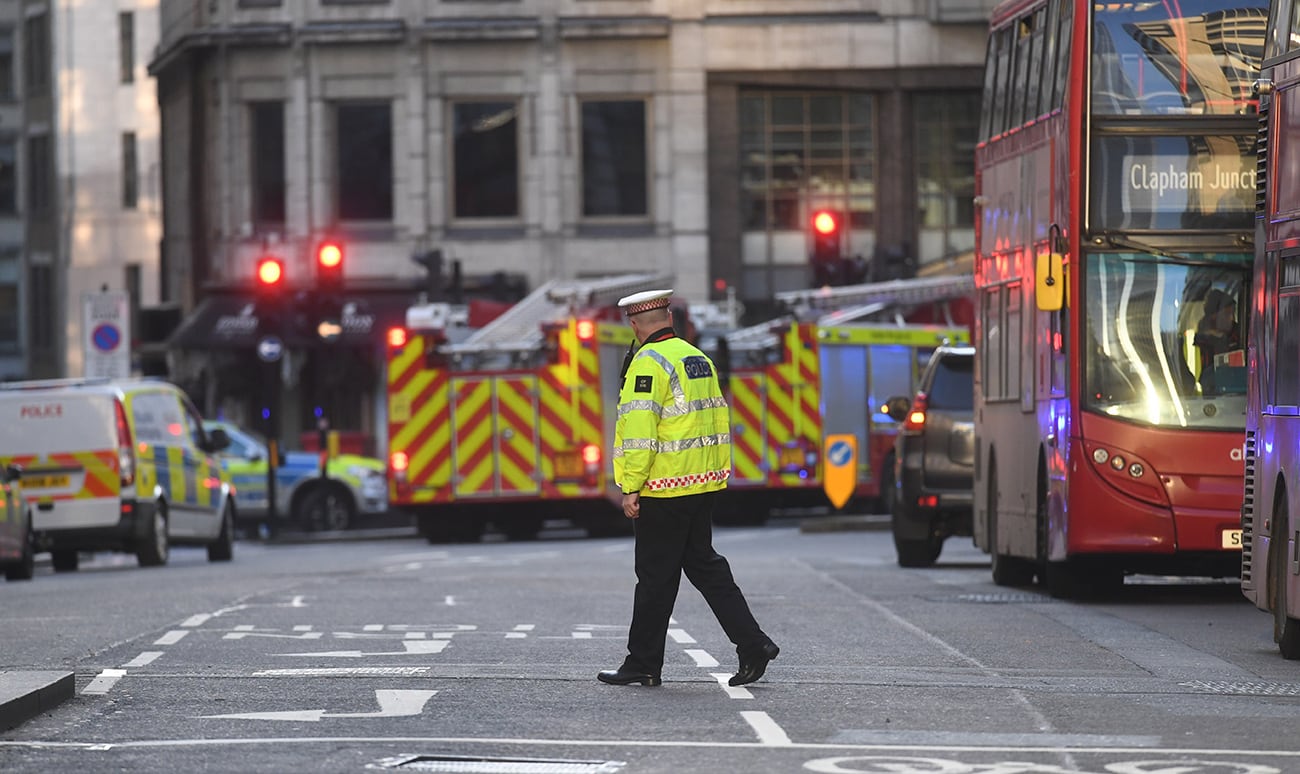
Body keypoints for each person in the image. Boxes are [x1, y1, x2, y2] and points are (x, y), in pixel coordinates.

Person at [598, 289, 779, 688]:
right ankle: (753, 644)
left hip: (664, 487)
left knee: (655, 577)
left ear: (634, 324)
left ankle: (643, 662)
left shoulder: (648, 364)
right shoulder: (697, 358)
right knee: (704, 566)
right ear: (669, 318)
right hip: (701, 483)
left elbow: (642, 432)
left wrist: (631, 486)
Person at [1193, 289, 1241, 394]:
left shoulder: (1239, 335)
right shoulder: (1198, 341)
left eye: (1233, 313)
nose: (1232, 318)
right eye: (1228, 313)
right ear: (1214, 316)